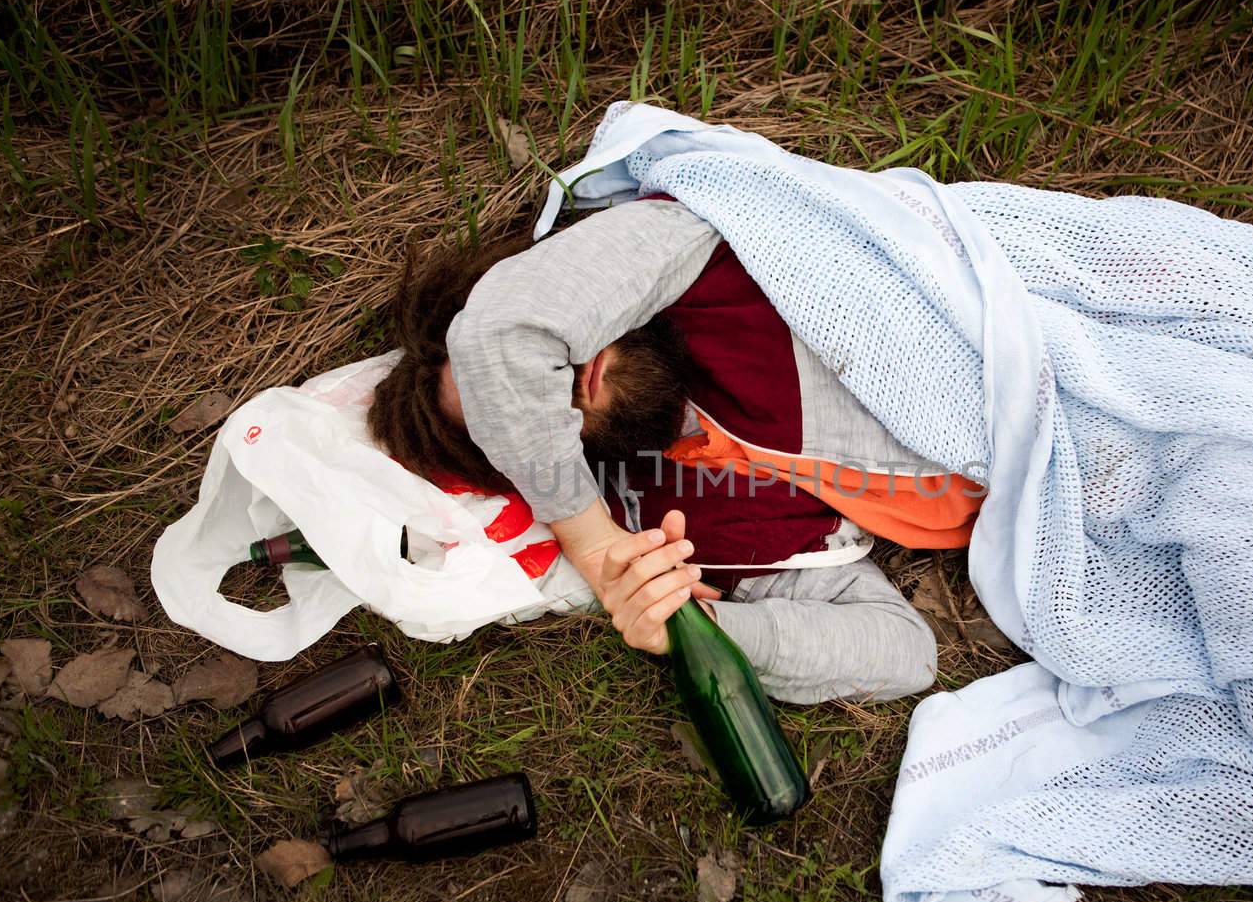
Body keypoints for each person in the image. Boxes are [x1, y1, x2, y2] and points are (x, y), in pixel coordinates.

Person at [368, 197, 983, 703]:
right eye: (509, 418)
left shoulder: (686, 251)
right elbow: (903, 651)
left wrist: (586, 537)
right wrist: (702, 633)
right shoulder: (672, 521)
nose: (556, 386)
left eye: (533, 375)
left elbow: (500, 333)